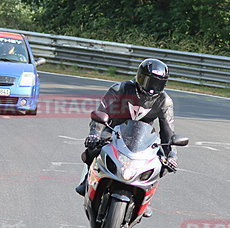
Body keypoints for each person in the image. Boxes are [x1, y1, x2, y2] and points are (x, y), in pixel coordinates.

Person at [75, 58, 179, 198]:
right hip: (113, 131)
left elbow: (168, 131)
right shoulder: (120, 89)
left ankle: (145, 194)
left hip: (143, 139)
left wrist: (172, 156)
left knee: (161, 163)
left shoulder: (164, 101)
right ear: (140, 77)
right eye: (150, 81)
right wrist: (95, 134)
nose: (153, 87)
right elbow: (103, 112)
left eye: (158, 83)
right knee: (93, 148)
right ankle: (88, 180)